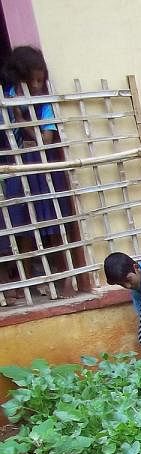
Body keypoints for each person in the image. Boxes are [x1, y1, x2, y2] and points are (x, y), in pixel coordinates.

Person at [1, 46, 78, 301]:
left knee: (54, 227)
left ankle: (65, 281)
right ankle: (18, 284)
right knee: (19, 230)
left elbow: (44, 140)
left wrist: (22, 117)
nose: (36, 86)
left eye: (39, 80)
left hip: (42, 171)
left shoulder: (44, 104)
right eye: (31, 80)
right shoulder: (7, 97)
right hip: (14, 171)